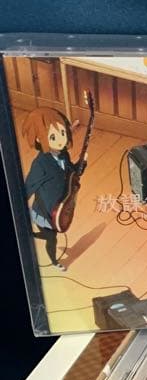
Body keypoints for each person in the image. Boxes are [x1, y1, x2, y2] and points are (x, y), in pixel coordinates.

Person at [21, 106, 78, 270]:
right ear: (39, 139)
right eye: (53, 136)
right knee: (51, 238)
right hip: (44, 211)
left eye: (63, 133)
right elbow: (27, 188)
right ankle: (54, 261)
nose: (61, 140)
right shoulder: (40, 165)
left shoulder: (64, 154)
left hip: (59, 207)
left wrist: (81, 165)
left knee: (51, 234)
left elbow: (71, 172)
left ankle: (35, 234)